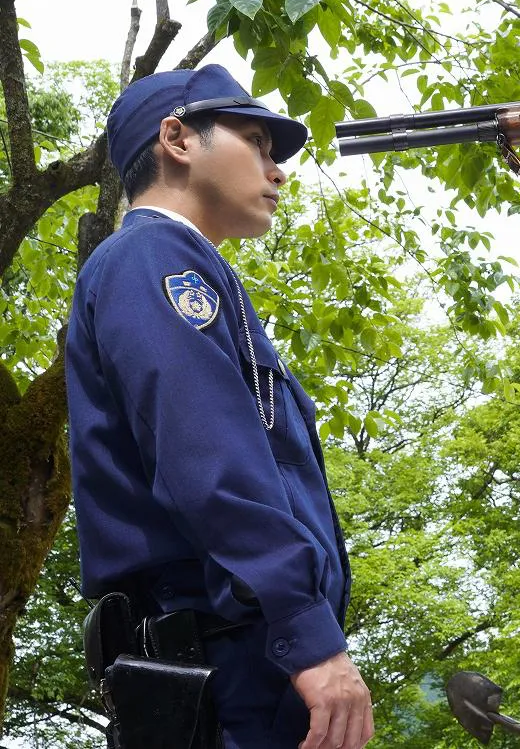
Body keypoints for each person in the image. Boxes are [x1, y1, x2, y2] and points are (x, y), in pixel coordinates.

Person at [66, 64, 373, 749]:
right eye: (259, 143)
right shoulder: (150, 257)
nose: (278, 170)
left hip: (244, 657)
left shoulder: (186, 268)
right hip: (223, 662)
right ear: (177, 138)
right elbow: (207, 461)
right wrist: (308, 634)